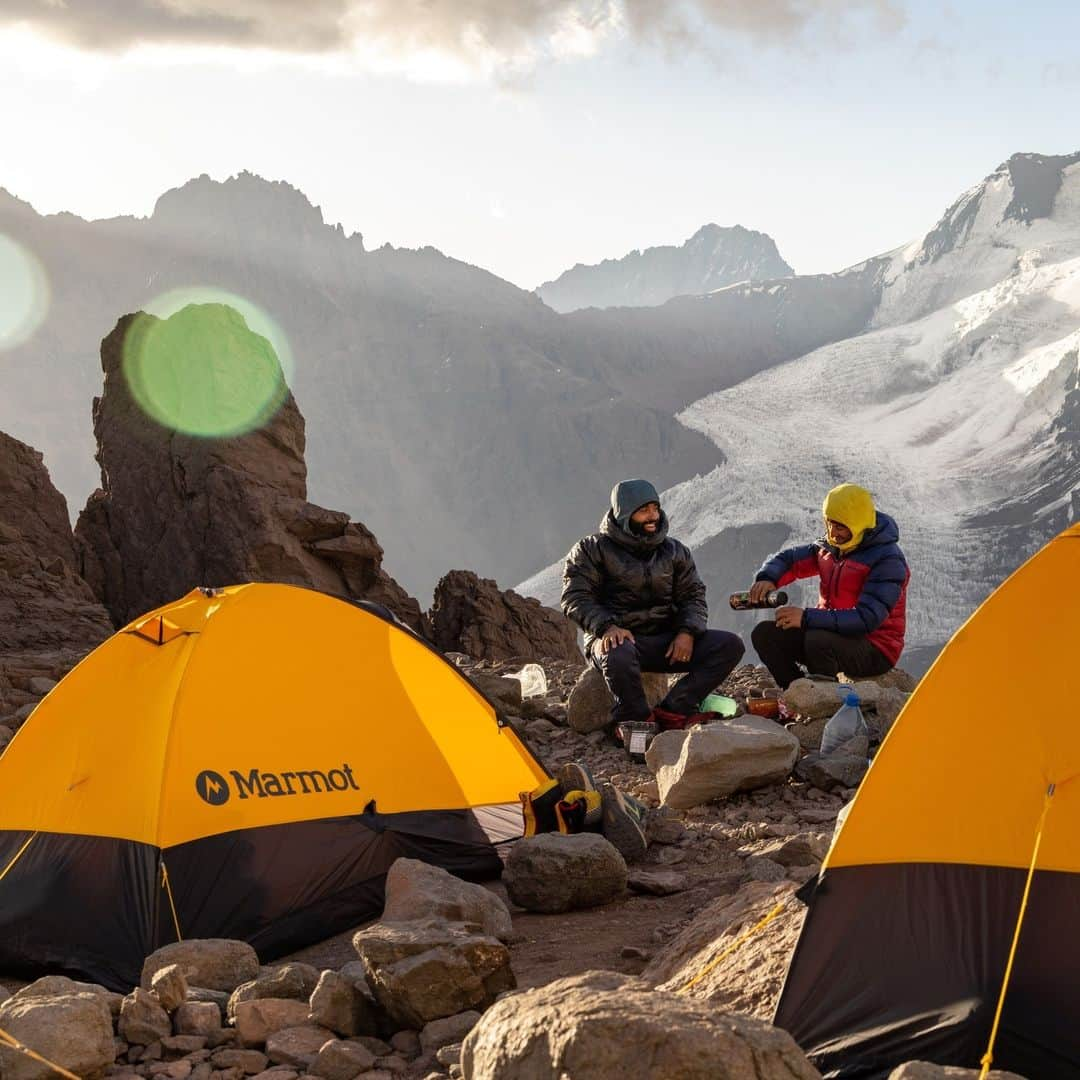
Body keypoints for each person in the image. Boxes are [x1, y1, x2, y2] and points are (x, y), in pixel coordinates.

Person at [561, 478, 745, 732]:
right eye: (644, 510)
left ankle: (674, 709)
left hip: (664, 642)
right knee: (618, 651)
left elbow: (693, 596)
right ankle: (635, 720)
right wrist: (606, 627)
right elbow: (575, 597)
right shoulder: (591, 550)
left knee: (729, 645)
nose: (653, 516)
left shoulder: (674, 551)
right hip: (616, 643)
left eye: (655, 508)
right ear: (624, 514)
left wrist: (686, 632)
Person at [749, 483, 909, 689]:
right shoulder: (831, 548)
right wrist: (768, 578)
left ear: (858, 523)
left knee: (818, 639)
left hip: (876, 647)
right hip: (832, 635)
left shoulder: (887, 560)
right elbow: (790, 561)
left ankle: (826, 700)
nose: (833, 533)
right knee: (765, 634)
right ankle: (798, 693)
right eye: (829, 524)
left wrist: (806, 618)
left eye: (840, 526)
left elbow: (867, 618)